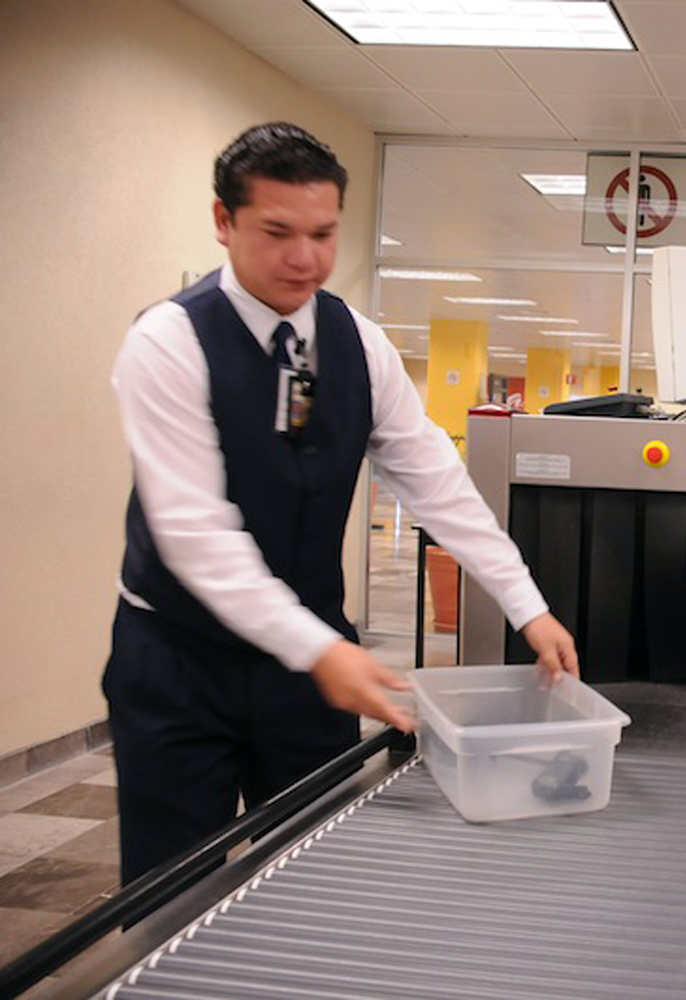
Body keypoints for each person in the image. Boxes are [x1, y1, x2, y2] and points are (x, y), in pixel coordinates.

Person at [106, 122, 577, 884]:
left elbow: (434, 477)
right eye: (277, 231)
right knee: (172, 888)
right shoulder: (168, 342)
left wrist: (527, 604)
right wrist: (321, 651)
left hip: (310, 659)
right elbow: (197, 534)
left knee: (314, 866)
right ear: (224, 223)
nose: (305, 258)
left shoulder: (359, 343)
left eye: (324, 234)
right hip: (179, 663)